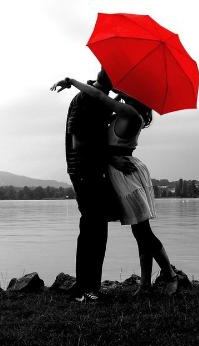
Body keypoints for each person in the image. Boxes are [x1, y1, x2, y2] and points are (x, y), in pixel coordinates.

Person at [51, 76, 180, 296]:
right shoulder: (123, 111)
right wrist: (97, 82)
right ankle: (145, 284)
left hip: (127, 175)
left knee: (142, 231)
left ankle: (169, 274)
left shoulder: (130, 114)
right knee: (140, 231)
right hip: (117, 174)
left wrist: (73, 81)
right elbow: (105, 97)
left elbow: (102, 96)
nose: (123, 90)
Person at [50, 70, 135, 302]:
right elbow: (79, 140)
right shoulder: (85, 99)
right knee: (91, 228)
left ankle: (91, 286)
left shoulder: (97, 99)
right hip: (84, 170)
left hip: (94, 170)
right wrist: (111, 157)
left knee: (97, 228)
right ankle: (84, 288)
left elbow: (100, 128)